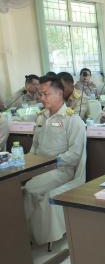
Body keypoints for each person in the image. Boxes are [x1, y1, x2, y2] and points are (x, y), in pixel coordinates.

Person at [24, 75, 86, 245]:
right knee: (12, 188)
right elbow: (34, 147)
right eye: (40, 94)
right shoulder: (41, 117)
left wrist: (49, 164)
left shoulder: (72, 120)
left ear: (59, 93)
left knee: (30, 189)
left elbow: (74, 155)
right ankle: (23, 230)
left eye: (45, 94)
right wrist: (28, 163)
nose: (41, 98)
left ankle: (29, 235)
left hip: (61, 170)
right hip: (39, 168)